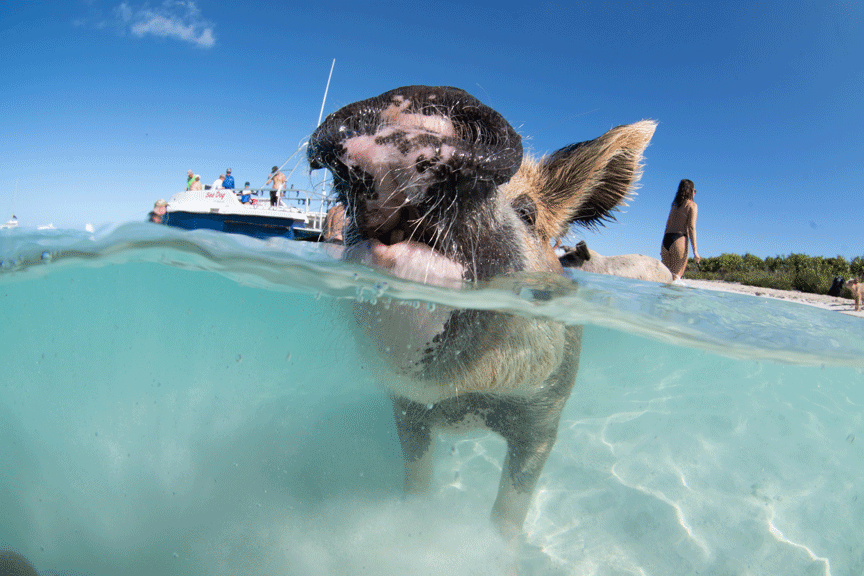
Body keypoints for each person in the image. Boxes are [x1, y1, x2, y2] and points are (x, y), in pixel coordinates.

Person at [660, 178, 700, 280]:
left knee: (664, 279)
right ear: (689, 191)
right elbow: (691, 227)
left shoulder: (674, 205)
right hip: (679, 240)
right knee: (675, 279)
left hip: (666, 241)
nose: (695, 193)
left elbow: (667, 225)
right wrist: (695, 251)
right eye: (694, 190)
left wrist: (662, 246)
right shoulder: (692, 205)